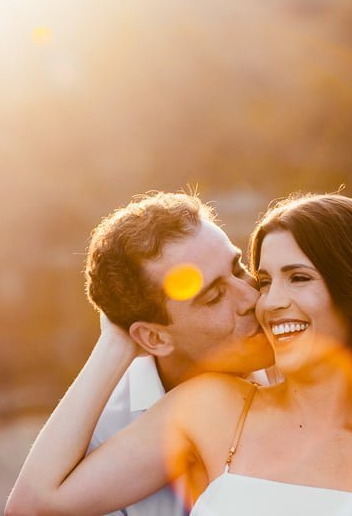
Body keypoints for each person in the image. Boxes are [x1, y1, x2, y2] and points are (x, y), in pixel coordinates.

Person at [6, 193, 352, 516]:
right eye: (213, 296)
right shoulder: (190, 412)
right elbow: (31, 508)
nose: (258, 300)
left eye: (246, 271)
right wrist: (114, 340)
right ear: (154, 337)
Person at [82, 191, 275, 515]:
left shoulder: (302, 367)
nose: (250, 299)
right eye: (214, 297)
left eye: (239, 269)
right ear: (154, 337)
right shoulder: (102, 439)